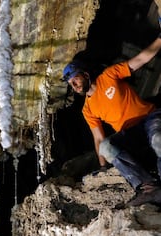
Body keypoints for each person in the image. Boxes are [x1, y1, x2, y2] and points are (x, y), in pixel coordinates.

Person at [62, 34, 161, 206]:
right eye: (71, 83)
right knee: (106, 147)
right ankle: (148, 188)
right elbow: (99, 138)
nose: (74, 85)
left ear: (85, 74)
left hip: (149, 118)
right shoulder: (88, 109)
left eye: (75, 78)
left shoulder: (109, 76)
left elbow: (141, 58)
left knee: (158, 138)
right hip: (130, 134)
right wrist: (103, 168)